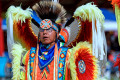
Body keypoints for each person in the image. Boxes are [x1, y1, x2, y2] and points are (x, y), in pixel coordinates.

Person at [6, 1, 107, 80]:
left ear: (57, 34)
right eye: (42, 30)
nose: (45, 33)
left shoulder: (68, 55)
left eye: (49, 30)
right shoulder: (29, 55)